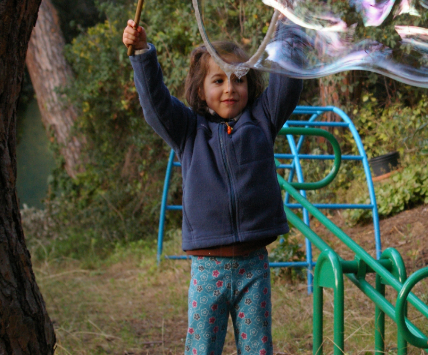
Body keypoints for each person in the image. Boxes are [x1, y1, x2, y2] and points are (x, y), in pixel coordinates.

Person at [122, 19, 302, 355]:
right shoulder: (188, 131)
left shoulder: (262, 120)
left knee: (258, 348)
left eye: (239, 79)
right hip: (208, 268)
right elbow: (156, 104)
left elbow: (288, 84)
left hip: (254, 265)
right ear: (201, 90)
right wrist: (143, 54)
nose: (230, 88)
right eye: (218, 80)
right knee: (202, 348)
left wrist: (288, 27)